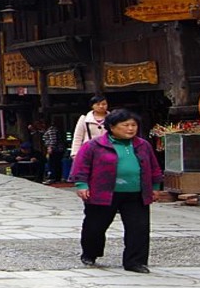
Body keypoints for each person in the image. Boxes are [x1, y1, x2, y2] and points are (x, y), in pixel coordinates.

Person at [69, 108, 163, 274]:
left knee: (138, 228)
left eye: (133, 125)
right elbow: (81, 167)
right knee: (95, 226)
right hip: (103, 192)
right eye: (125, 125)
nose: (130, 129)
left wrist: (155, 187)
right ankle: (90, 253)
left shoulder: (143, 145)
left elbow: (154, 168)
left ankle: (135, 261)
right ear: (111, 127)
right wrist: (82, 185)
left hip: (136, 193)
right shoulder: (94, 145)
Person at [40, 120, 65, 184]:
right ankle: (56, 178)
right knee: (54, 163)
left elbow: (53, 139)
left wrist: (50, 147)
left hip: (56, 150)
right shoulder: (47, 130)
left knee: (53, 163)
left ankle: (54, 178)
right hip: (55, 149)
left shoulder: (51, 130)